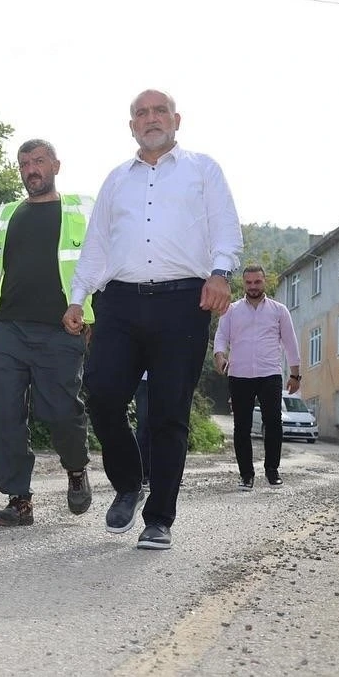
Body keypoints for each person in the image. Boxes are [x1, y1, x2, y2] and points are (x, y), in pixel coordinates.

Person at [61, 89, 242, 550]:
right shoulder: (117, 180)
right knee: (102, 395)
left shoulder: (203, 169)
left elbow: (225, 226)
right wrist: (78, 297)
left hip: (184, 301)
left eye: (159, 110)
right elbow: (97, 244)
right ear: (132, 126)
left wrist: (220, 272)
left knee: (167, 413)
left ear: (176, 119)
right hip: (119, 301)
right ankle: (128, 482)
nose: (151, 118)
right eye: (141, 113)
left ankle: (159, 517)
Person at [0, 138, 94, 527]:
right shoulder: (7, 216)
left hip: (61, 331)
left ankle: (76, 468)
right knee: (2, 415)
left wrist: (99, 317)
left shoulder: (80, 212)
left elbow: (103, 265)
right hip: (9, 329)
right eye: (24, 164)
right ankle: (19, 500)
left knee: (61, 411)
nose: (31, 169)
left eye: (38, 161)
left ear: (56, 165)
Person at [213, 264, 301, 490]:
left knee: (273, 423)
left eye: (257, 282)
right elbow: (221, 337)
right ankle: (246, 475)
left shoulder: (279, 310)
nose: (253, 286)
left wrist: (295, 374)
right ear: (244, 284)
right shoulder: (230, 310)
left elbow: (291, 343)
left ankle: (272, 471)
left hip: (269, 373)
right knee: (241, 426)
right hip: (239, 374)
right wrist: (220, 356)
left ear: (264, 282)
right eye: (249, 282)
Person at [134, 372, 150, 490]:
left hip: (168, 377)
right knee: (143, 425)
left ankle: (167, 472)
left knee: (166, 426)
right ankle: (142, 474)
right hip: (143, 379)